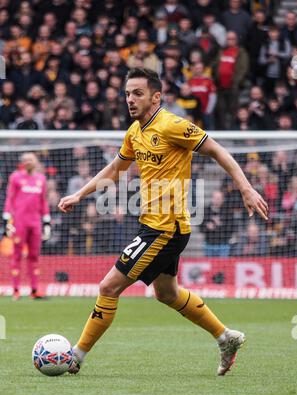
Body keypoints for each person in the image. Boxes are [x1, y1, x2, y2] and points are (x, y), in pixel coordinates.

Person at [58, 68, 268, 376]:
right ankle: (226, 337)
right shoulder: (134, 132)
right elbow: (115, 169)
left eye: (138, 93)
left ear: (156, 97)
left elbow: (216, 149)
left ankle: (75, 356)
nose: (130, 99)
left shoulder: (172, 126)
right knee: (167, 293)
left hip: (165, 228)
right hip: (156, 226)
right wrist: (79, 194)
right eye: (128, 93)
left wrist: (246, 188)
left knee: (108, 286)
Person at [2, 153, 51, 300]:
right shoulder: (16, 177)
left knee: (34, 256)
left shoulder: (41, 179)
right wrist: (6, 219)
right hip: (19, 222)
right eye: (24, 160)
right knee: (17, 255)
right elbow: (9, 199)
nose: (27, 162)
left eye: (29, 159)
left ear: (35, 162)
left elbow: (43, 201)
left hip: (35, 222)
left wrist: (47, 221)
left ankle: (34, 290)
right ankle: (16, 290)